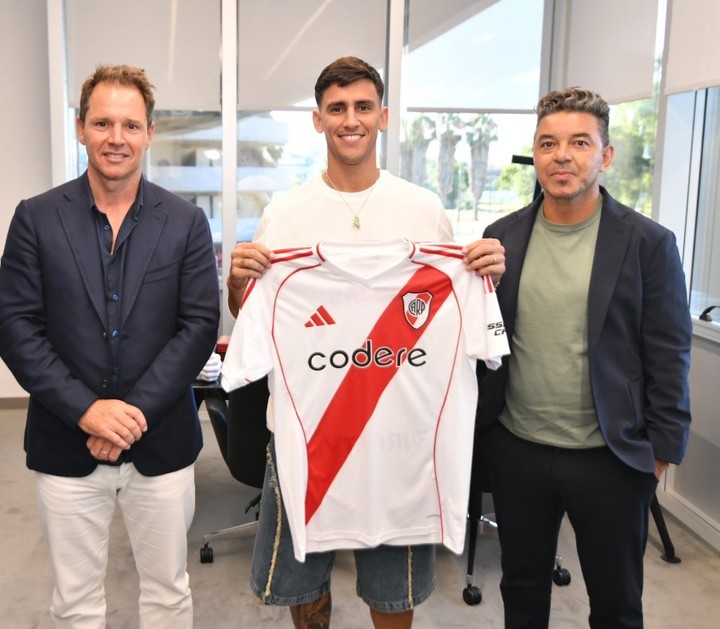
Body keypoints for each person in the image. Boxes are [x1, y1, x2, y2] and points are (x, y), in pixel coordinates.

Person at [225, 56, 505, 629]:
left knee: (392, 592)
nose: (349, 120)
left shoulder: (423, 209)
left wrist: (483, 279)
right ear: (317, 120)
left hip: (399, 438)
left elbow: (455, 307)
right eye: (336, 108)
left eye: (361, 107)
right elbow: (252, 316)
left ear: (383, 117)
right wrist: (237, 283)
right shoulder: (286, 211)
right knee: (303, 581)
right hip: (308, 435)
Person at [0, 64, 220, 628]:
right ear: (80, 128)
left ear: (149, 132)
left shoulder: (186, 221)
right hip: (64, 441)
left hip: (161, 442)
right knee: (75, 604)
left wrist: (131, 414)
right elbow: (15, 325)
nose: (115, 138)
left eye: (129, 124)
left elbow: (197, 325)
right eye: (102, 122)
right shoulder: (35, 218)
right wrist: (88, 412)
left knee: (168, 594)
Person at [475, 86, 692, 628]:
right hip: (518, 450)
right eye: (548, 143)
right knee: (521, 592)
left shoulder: (647, 242)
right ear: (535, 152)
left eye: (579, 142)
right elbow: (483, 339)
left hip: (611, 458)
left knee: (616, 605)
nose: (562, 156)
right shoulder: (501, 238)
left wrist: (660, 453)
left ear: (606, 154)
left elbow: (669, 352)